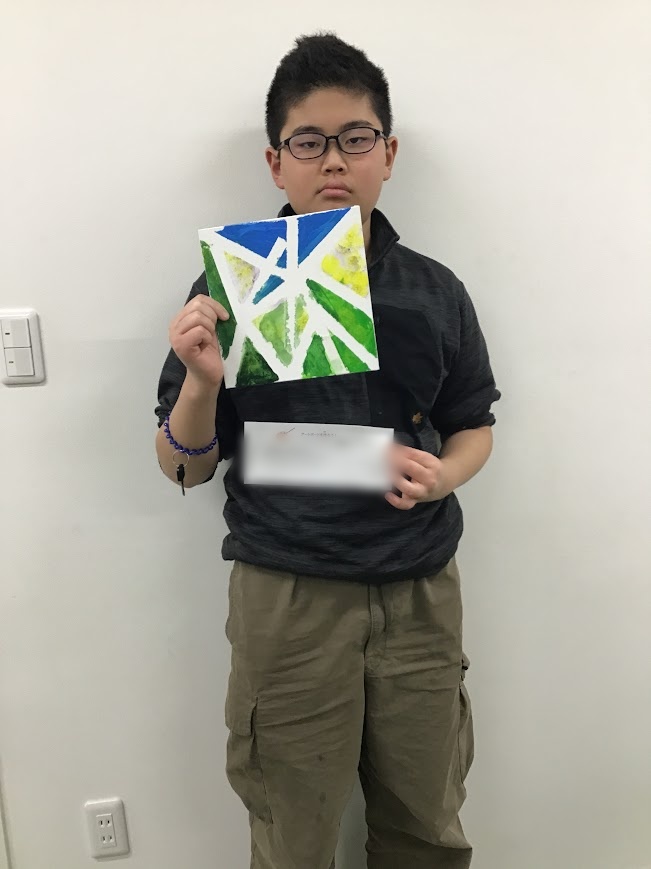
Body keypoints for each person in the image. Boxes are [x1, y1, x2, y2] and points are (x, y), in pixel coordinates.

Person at [155, 32, 500, 869]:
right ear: (277, 163)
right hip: (289, 591)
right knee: (292, 833)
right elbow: (183, 465)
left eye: (355, 137)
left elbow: (473, 421)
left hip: (418, 589)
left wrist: (443, 474)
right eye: (309, 142)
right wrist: (200, 381)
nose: (334, 160)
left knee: (426, 825)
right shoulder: (229, 288)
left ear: (388, 153)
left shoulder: (434, 290)